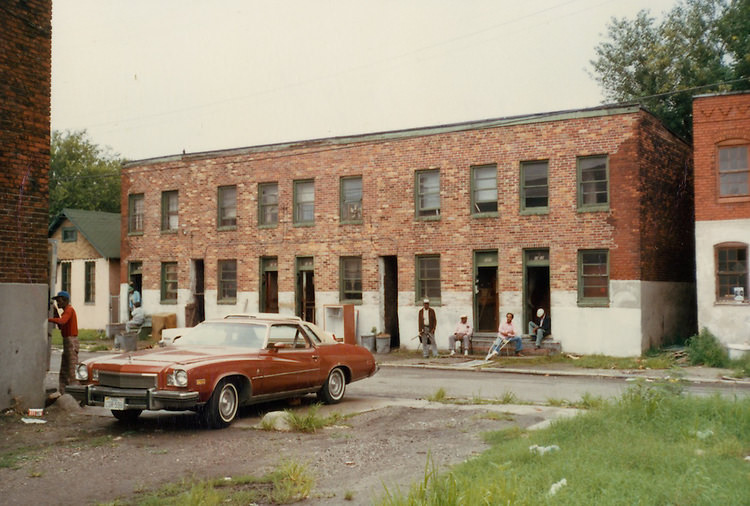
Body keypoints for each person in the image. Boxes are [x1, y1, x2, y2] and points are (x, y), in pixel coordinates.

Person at [48, 291, 78, 394]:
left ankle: (76, 394)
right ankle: (63, 393)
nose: (58, 303)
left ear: (65, 300)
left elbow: (62, 322)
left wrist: (48, 319)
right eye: (56, 301)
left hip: (71, 341)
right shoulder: (65, 311)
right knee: (64, 370)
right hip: (66, 341)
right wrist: (56, 314)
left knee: (71, 370)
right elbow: (62, 326)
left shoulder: (69, 310)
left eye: (59, 301)